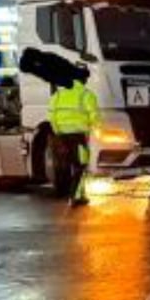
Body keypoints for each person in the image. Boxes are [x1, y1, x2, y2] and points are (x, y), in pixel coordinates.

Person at [48, 67, 100, 206]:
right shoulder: (86, 95)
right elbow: (95, 117)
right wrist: (94, 131)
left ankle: (78, 194)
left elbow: (51, 116)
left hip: (61, 136)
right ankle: (75, 197)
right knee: (81, 165)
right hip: (78, 136)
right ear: (83, 80)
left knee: (68, 165)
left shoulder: (57, 95)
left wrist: (57, 132)